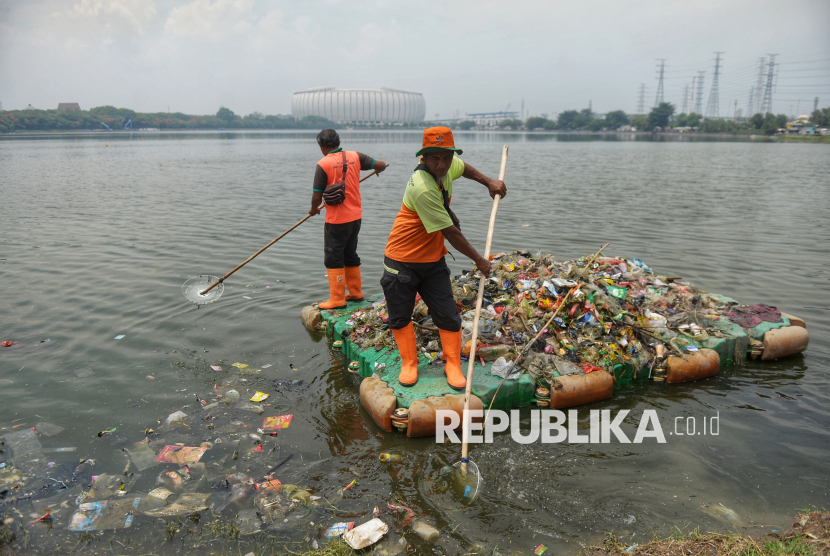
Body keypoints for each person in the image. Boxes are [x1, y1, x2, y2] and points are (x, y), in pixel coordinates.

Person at [380, 127, 507, 390]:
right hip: (401, 262)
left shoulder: (448, 166)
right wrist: (479, 261)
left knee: (449, 316)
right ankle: (410, 363)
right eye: (435, 158)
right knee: (400, 317)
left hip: (433, 261)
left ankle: (452, 363)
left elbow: (464, 168)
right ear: (423, 158)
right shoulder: (423, 188)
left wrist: (489, 182)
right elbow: (450, 232)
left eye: (446, 158)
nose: (441, 164)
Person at [310, 129, 387, 310]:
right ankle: (355, 292)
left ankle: (337, 299)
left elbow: (316, 196)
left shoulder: (323, 164)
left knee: (333, 257)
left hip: (336, 220)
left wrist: (313, 209)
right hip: (355, 217)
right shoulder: (356, 156)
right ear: (338, 142)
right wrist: (376, 168)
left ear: (322, 147)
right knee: (350, 254)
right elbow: (382, 165)